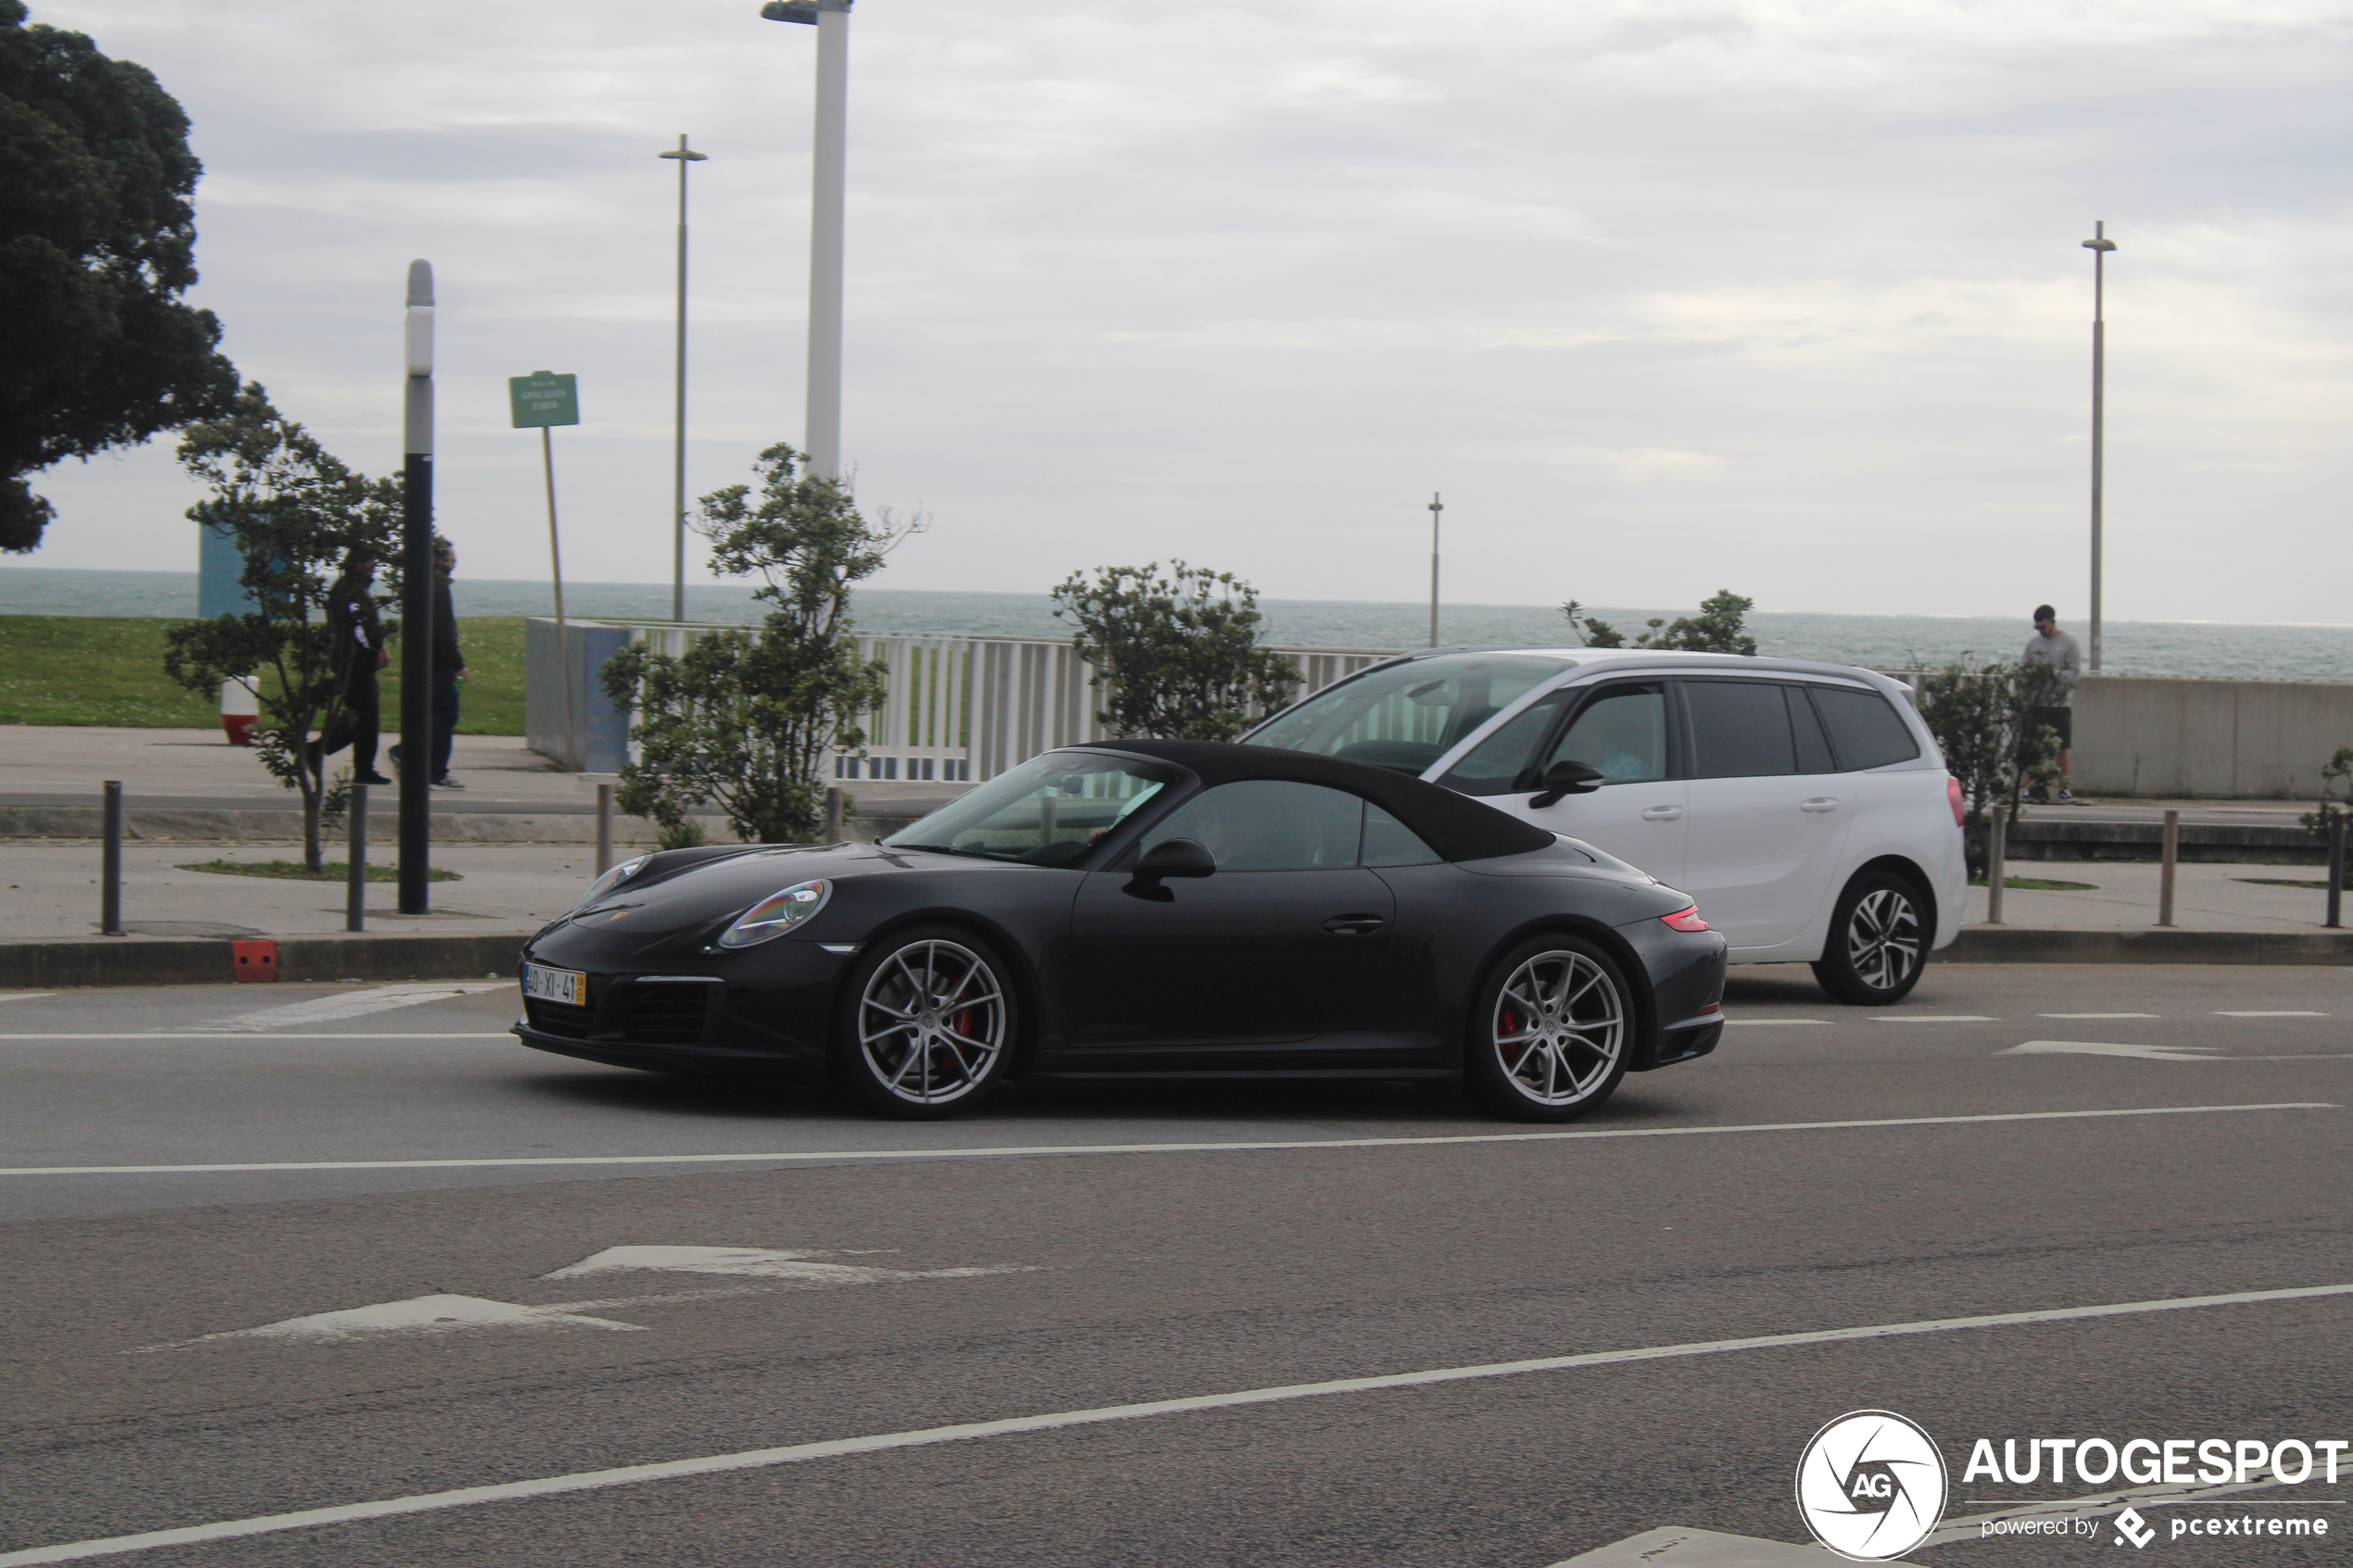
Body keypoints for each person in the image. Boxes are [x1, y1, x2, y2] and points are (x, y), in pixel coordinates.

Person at [391, 536, 467, 789]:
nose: (453, 566)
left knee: (428, 714)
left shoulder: (419, 583)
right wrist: (458, 663)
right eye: (450, 560)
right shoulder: (439, 587)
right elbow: (443, 631)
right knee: (444, 716)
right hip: (439, 664)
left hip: (422, 661)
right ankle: (431, 767)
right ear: (437, 559)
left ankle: (418, 761)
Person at [312, 548, 391, 784]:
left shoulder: (346, 588)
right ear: (360, 566)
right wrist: (376, 648)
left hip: (353, 661)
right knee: (362, 716)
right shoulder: (352, 591)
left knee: (369, 716)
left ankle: (364, 768)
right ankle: (316, 750)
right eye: (371, 564)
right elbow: (360, 628)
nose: (374, 568)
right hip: (355, 663)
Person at [2023, 603, 2083, 802]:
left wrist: (2054, 674)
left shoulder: (2069, 643)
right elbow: (2023, 670)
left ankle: (2064, 788)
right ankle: (2030, 788)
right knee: (2032, 747)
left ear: (2052, 622)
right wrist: (2032, 676)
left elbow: (2074, 674)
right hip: (2036, 701)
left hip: (2059, 704)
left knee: (2061, 748)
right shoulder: (2033, 644)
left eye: (2044, 627)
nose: (2041, 631)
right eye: (2037, 628)